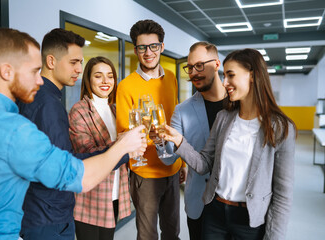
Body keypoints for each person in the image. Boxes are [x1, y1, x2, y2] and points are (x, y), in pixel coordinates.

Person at [0, 28, 145, 240]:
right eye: (34, 71)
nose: (40, 80)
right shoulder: (16, 130)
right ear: (6, 72)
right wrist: (124, 147)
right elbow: (79, 176)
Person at [162, 48, 296, 239]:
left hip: (249, 221)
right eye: (224, 76)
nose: (225, 83)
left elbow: (283, 195)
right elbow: (203, 164)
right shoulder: (224, 118)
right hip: (215, 214)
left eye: (231, 75)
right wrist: (179, 141)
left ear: (253, 75)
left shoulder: (281, 127)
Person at [17, 28, 131, 240]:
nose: (79, 68)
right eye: (74, 62)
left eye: (80, 62)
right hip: (49, 214)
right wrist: (123, 149)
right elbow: (66, 167)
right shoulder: (49, 106)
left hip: (44, 211)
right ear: (51, 61)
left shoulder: (43, 99)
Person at [116, 19, 185, 240]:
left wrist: (181, 161)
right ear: (135, 50)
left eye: (153, 46)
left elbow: (176, 123)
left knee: (172, 232)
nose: (148, 52)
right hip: (144, 173)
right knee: (147, 235)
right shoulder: (126, 86)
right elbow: (123, 134)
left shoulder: (172, 79)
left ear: (161, 47)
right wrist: (149, 138)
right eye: (142, 47)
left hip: (172, 168)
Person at [159, 41, 226, 240]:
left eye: (199, 65)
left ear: (216, 64)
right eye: (189, 67)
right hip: (199, 203)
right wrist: (160, 141)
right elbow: (168, 159)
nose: (194, 72)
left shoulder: (238, 104)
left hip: (232, 203)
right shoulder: (182, 110)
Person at [68, 56, 131, 239]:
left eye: (110, 76)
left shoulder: (115, 110)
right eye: (98, 76)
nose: (106, 81)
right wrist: (124, 144)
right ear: (88, 80)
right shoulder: (79, 110)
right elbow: (87, 153)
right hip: (91, 197)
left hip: (115, 192)